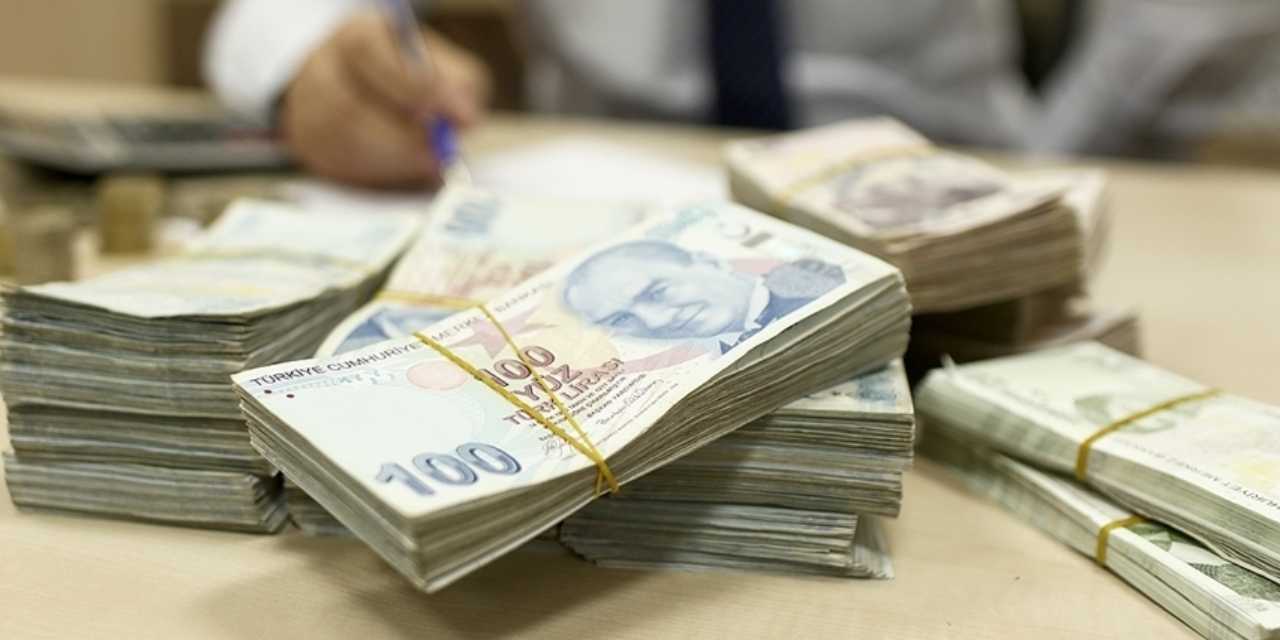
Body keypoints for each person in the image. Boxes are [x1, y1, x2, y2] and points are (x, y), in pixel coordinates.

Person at [561, 240, 844, 351]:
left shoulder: (824, 284)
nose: (657, 321)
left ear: (709, 262)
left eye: (657, 292)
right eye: (621, 319)